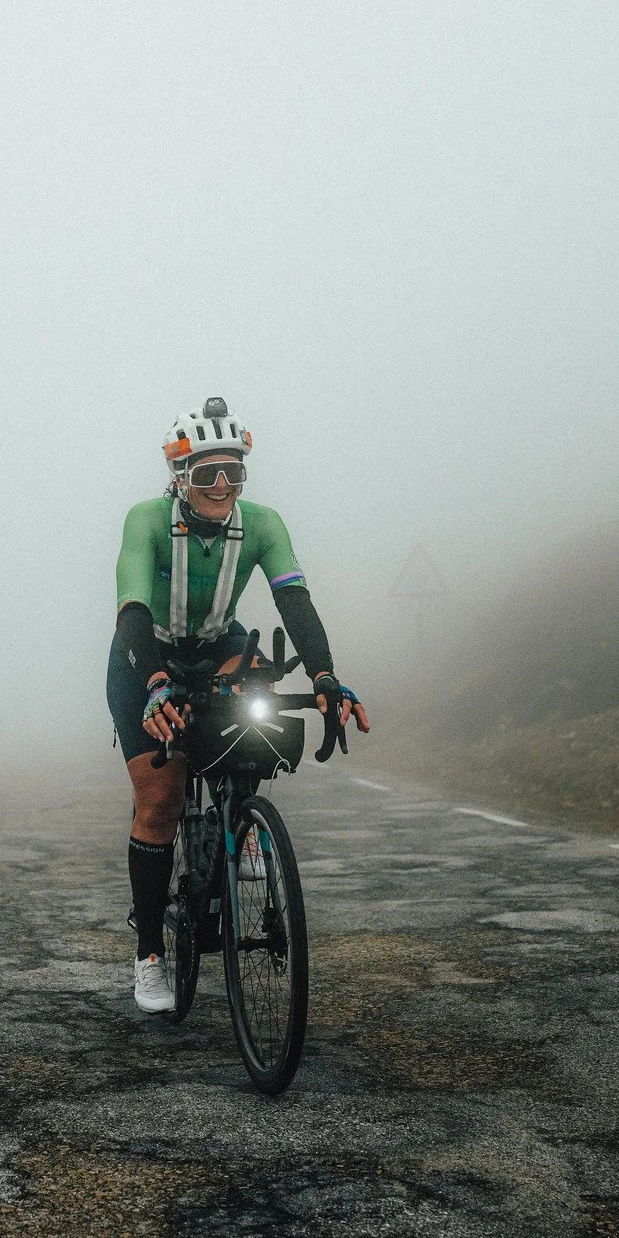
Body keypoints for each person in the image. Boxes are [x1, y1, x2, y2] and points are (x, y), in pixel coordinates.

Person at [108, 398, 370, 1013]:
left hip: (217, 647)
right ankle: (150, 953)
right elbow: (133, 614)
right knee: (162, 799)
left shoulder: (263, 525)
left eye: (233, 472)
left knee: (259, 715)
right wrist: (154, 683)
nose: (222, 485)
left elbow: (294, 602)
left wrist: (327, 675)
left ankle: (243, 827)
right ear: (180, 478)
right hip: (145, 656)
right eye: (206, 474)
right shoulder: (146, 521)